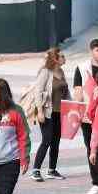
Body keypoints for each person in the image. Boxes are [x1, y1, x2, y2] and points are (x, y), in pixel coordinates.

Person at [25, 48, 68, 181]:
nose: (64, 58)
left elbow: (66, 92)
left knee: (56, 141)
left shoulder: (61, 71)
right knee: (47, 140)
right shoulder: (45, 72)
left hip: (59, 112)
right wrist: (40, 111)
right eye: (61, 56)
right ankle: (36, 170)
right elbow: (38, 91)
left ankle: (52, 170)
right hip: (47, 112)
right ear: (55, 58)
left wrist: (72, 106)